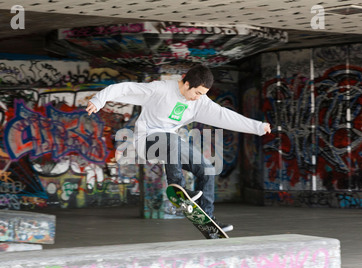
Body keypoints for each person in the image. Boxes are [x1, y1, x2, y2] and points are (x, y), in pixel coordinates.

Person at [86, 65, 271, 232]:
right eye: (197, 92)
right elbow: (125, 88)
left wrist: (257, 127)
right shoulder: (161, 89)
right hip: (147, 142)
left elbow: (224, 115)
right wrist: (99, 100)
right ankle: (178, 188)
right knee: (171, 139)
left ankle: (207, 221)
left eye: (202, 94)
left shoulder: (200, 102)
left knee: (206, 168)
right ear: (187, 83)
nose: (198, 98)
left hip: (170, 145)